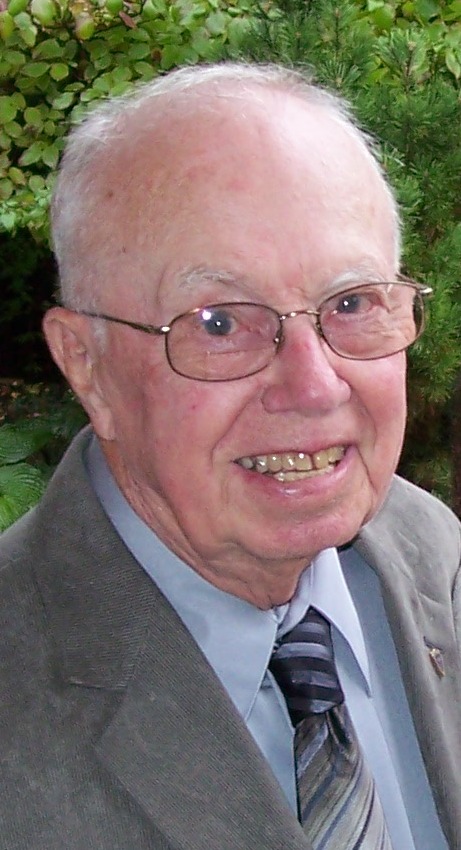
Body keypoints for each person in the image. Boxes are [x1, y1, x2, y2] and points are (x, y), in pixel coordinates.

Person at [1, 61, 460, 850]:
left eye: (351, 303)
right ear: (87, 364)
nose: (313, 387)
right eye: (218, 322)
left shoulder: (434, 553)